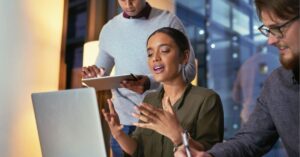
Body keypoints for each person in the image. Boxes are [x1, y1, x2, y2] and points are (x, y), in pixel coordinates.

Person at [174, 0, 299, 156]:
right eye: (269, 30)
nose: (271, 40)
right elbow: (250, 140)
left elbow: (236, 95)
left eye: (279, 28)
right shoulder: (277, 83)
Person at [81, 0, 196, 156]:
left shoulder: (169, 21)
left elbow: (189, 70)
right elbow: (102, 73)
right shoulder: (109, 29)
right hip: (124, 124)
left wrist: (150, 82)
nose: (128, 4)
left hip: (162, 122)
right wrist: (93, 76)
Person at [102, 27, 224, 157]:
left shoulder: (207, 99)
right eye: (150, 54)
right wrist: (118, 134)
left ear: (184, 57)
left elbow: (208, 153)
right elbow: (138, 150)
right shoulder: (150, 99)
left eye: (164, 51)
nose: (155, 58)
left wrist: (177, 136)